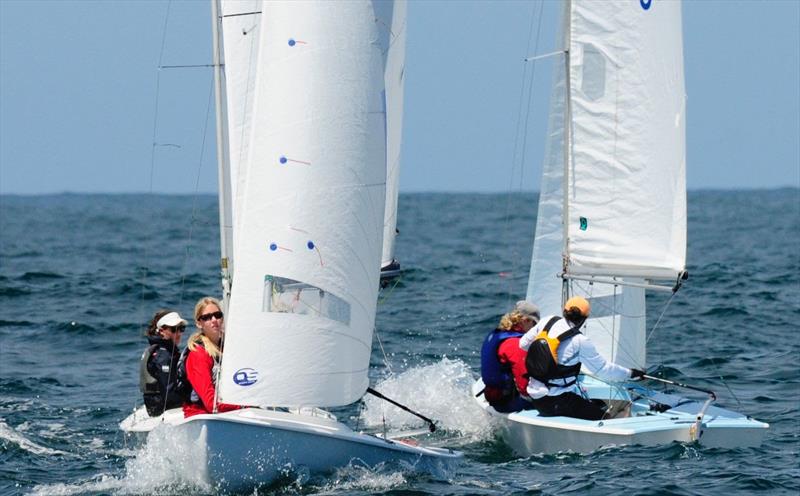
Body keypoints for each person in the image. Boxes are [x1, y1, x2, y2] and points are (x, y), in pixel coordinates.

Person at [519, 296, 645, 421]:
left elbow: (523, 344)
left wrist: (544, 356)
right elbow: (603, 370)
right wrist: (631, 373)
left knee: (592, 404)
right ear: (584, 319)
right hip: (558, 401)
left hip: (536, 398)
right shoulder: (580, 341)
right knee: (605, 418)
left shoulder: (548, 320)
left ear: (564, 311)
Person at [182, 296, 242, 418]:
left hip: (227, 412)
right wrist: (243, 406)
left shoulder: (228, 348)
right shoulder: (198, 354)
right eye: (207, 317)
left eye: (217, 315)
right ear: (199, 323)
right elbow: (211, 404)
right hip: (203, 417)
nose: (214, 320)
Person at [480, 300, 541, 413]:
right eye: (534, 324)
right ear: (526, 321)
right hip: (506, 402)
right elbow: (523, 383)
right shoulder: (515, 343)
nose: (535, 330)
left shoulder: (498, 334)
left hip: (493, 395)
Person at [139, 309, 187, 416]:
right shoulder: (163, 356)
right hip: (162, 409)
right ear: (161, 331)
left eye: (181, 328)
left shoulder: (163, 350)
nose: (178, 333)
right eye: (174, 329)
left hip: (157, 406)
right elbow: (168, 394)